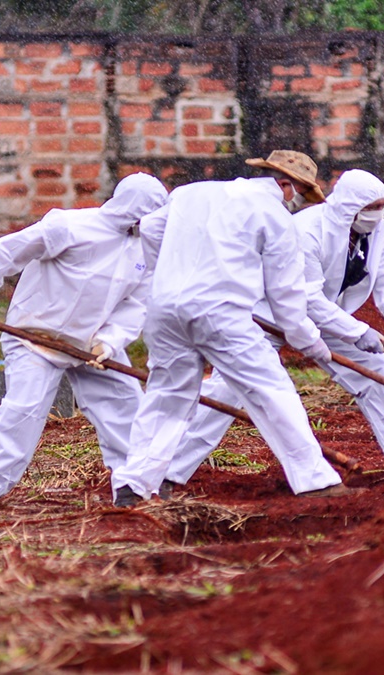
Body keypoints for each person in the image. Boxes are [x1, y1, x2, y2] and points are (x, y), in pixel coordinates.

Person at [161, 169, 384, 495]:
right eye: (371, 208)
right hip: (270, 315)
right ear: (349, 206)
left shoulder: (380, 231)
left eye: (382, 207)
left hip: (328, 318)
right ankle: (167, 473)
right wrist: (357, 330)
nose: (377, 215)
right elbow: (305, 295)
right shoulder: (307, 230)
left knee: (376, 368)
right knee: (228, 390)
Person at [110, 173, 353, 506]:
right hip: (222, 312)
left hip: (164, 310)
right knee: (270, 389)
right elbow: (286, 295)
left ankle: (134, 485)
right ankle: (316, 481)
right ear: (284, 184)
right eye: (300, 192)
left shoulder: (190, 191)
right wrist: (309, 341)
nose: (295, 202)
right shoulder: (273, 213)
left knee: (166, 397)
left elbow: (151, 228)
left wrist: (168, 276)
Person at [0, 172, 169, 512]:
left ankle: (135, 485)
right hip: (34, 339)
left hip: (91, 347)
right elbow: (7, 251)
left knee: (127, 406)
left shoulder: (147, 250)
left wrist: (110, 342)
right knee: (24, 408)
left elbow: (137, 304)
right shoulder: (69, 226)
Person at [245, 150, 325, 213]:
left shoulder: (238, 191)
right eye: (300, 194)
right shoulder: (270, 217)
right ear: (283, 184)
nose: (299, 202)